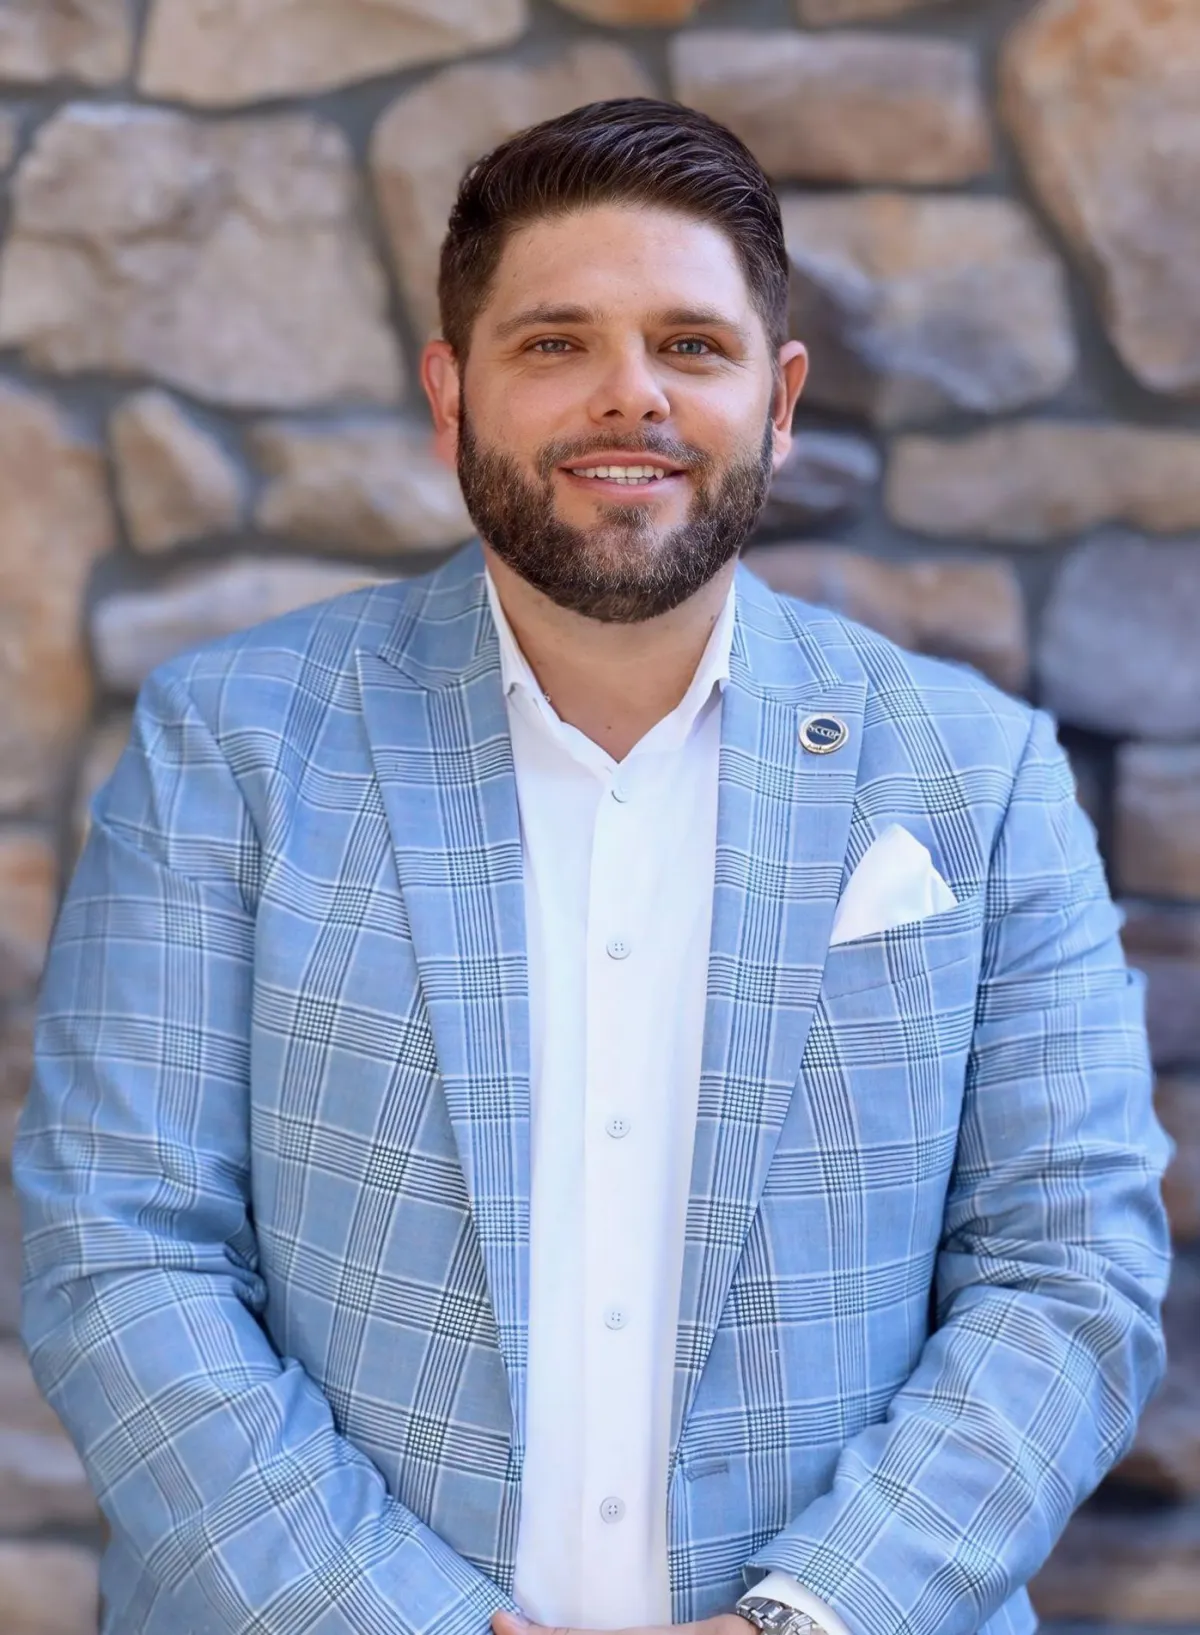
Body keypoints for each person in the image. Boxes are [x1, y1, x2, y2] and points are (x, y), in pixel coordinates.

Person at [14, 98, 1171, 1635]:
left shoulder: (979, 773)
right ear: (450, 394)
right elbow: (118, 1246)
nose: (630, 397)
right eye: (556, 343)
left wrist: (806, 1619)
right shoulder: (228, 752)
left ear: (779, 400)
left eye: (691, 346)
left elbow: (1069, 1273)